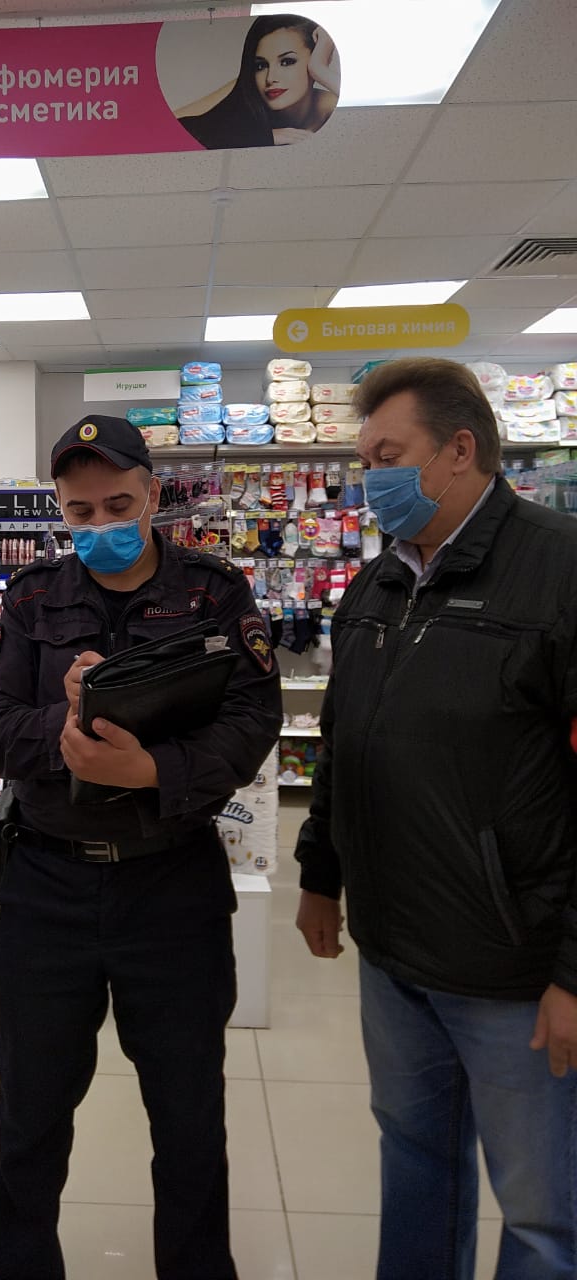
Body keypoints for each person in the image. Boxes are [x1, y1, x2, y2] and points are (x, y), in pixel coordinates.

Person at [0, 415, 282, 1280]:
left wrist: (154, 770)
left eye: (118, 504)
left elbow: (253, 719)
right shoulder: (32, 598)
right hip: (46, 883)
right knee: (30, 1114)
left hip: (172, 884)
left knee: (188, 1116)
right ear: (59, 512)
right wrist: (66, 725)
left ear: (152, 495)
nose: (101, 524)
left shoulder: (215, 594)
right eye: (80, 512)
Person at [294, 357, 577, 1280]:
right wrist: (321, 874)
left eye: (388, 456)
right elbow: (344, 741)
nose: (369, 478)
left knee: (543, 1214)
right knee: (417, 1164)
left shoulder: (559, 569)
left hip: (514, 966)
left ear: (460, 449)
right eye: (364, 459)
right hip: (394, 954)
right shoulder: (377, 584)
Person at [177, 14, 339, 149]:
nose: (270, 78)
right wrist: (263, 136)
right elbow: (178, 129)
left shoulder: (332, 106)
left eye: (287, 62)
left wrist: (319, 69)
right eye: (261, 66)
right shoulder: (246, 95)